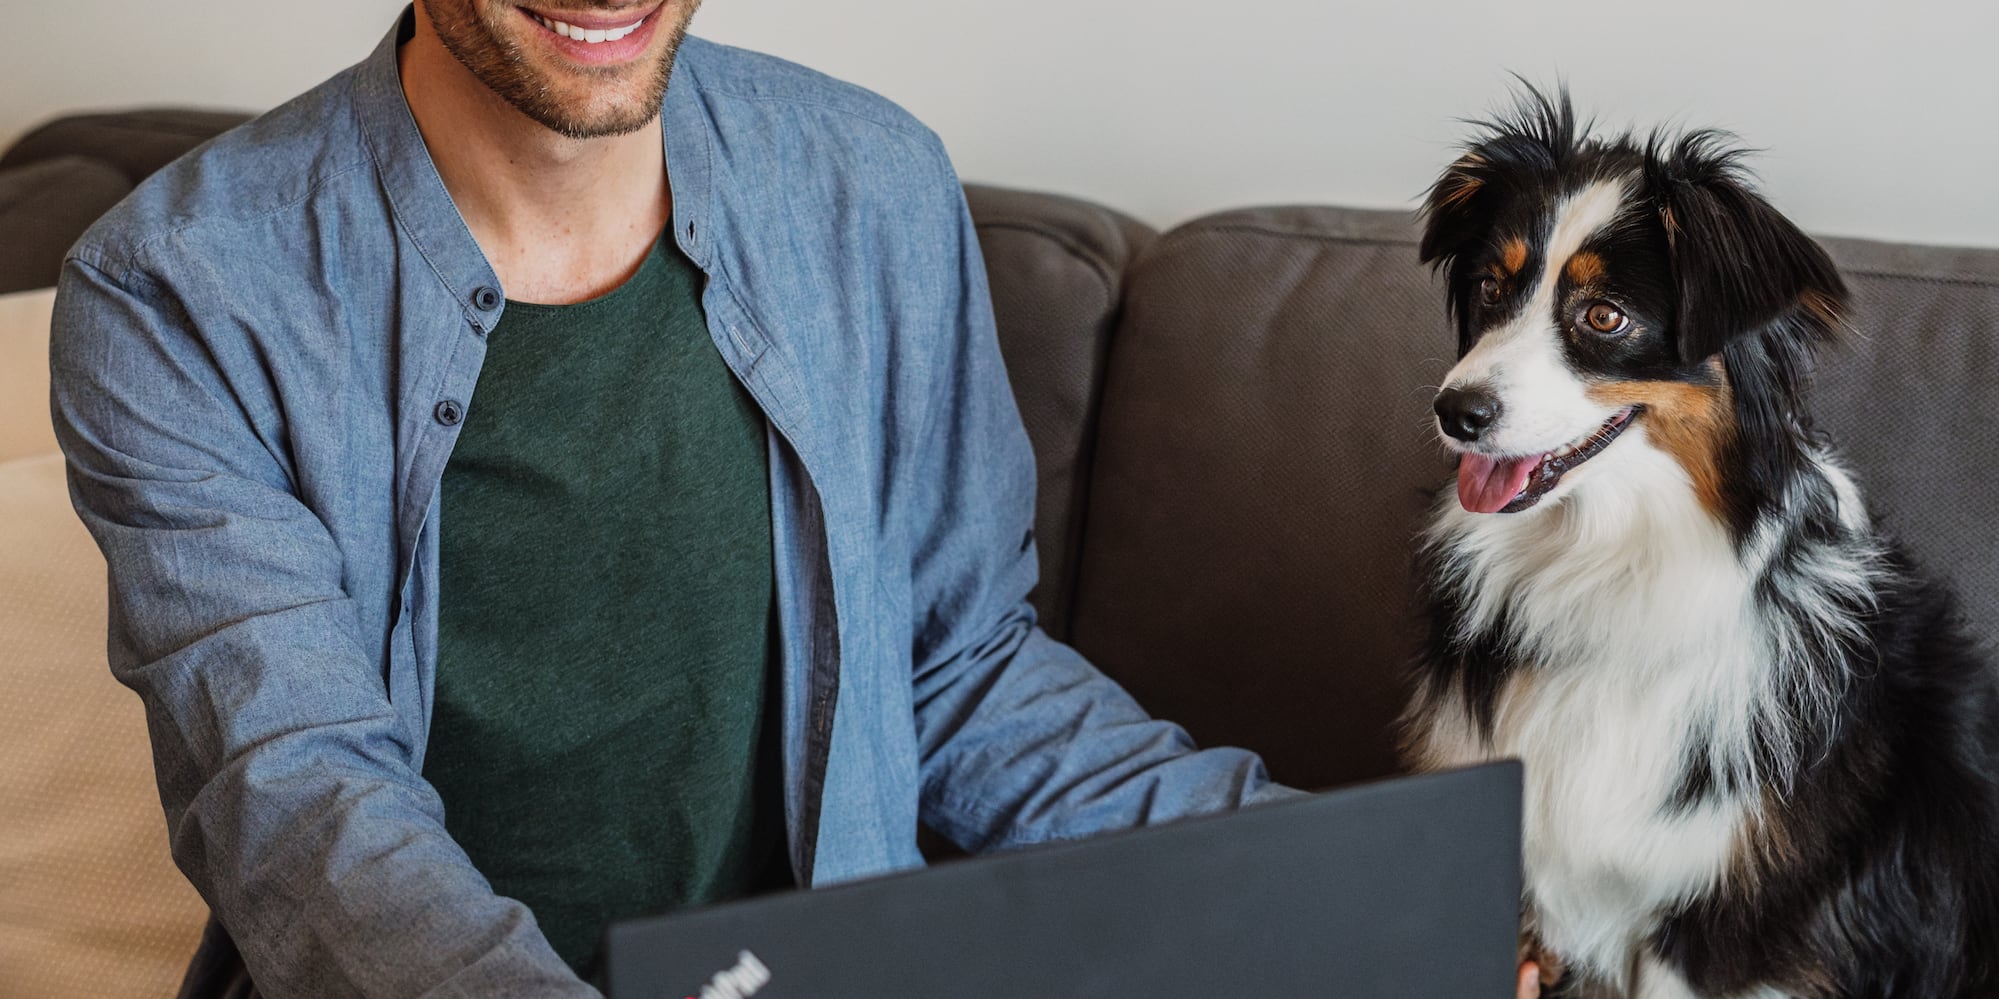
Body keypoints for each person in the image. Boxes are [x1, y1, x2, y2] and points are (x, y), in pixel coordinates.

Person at [50, 2, 1299, 994]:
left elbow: (957, 669)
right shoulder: (175, 292)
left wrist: (1322, 868)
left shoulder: (872, 187)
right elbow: (295, 793)